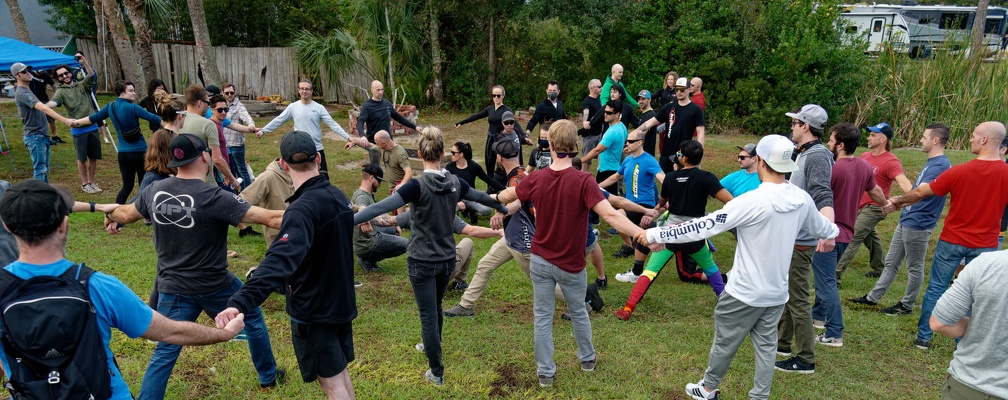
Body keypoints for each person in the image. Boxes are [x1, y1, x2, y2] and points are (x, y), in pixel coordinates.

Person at [634, 134, 839, 400]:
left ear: (761, 161)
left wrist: (655, 234)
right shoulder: (801, 199)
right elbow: (825, 228)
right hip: (776, 293)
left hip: (743, 291)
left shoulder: (751, 201)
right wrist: (832, 232)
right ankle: (759, 396)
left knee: (725, 342)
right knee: (767, 347)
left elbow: (704, 225)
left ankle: (708, 389)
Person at [0, 180, 245, 400]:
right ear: (64, 224)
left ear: (6, 226)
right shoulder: (97, 287)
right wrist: (223, 334)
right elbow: (169, 332)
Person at [104, 134, 286, 398]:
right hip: (216, 285)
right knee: (253, 317)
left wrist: (110, 216)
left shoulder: (154, 191)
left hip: (172, 286)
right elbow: (270, 218)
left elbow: (126, 214)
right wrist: (315, 213)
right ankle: (268, 376)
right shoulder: (215, 196)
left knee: (166, 349)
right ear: (204, 156)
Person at [495, 119, 646, 387]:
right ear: (574, 146)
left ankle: (546, 373)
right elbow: (610, 214)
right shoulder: (583, 180)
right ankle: (587, 358)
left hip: (541, 261)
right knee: (577, 311)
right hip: (571, 265)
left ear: (550, 145)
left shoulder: (537, 179)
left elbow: (508, 196)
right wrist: (640, 233)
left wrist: (492, 197)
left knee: (542, 317)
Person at [353, 127, 508, 386]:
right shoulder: (454, 183)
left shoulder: (416, 186)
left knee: (428, 314)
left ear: (421, 152)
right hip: (446, 260)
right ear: (442, 152)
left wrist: (349, 218)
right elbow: (481, 196)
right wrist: (501, 206)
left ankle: (436, 372)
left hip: (421, 263)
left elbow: (380, 207)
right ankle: (430, 346)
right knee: (434, 308)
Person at [216, 131, 356, 399]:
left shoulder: (302, 209)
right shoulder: (338, 196)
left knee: (332, 383)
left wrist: (240, 301)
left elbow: (279, 261)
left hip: (315, 310)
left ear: (283, 163)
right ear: (317, 158)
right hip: (340, 303)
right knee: (339, 374)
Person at [883, 121, 1008, 350]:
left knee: (936, 288)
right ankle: (964, 342)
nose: (970, 139)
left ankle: (924, 337)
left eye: (973, 135)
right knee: (976, 295)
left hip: (952, 240)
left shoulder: (959, 171)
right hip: (986, 245)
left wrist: (898, 202)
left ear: (984, 140)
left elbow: (922, 191)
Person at [847, 124, 951, 316]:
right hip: (908, 219)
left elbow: (921, 193)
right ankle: (872, 298)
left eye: (924, 137)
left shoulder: (940, 165)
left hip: (919, 223)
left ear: (935, 140)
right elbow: (916, 193)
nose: (921, 140)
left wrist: (896, 201)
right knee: (891, 262)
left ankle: (906, 304)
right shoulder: (932, 163)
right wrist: (901, 205)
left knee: (914, 266)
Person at [613, 140, 732, 306]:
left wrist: (655, 210)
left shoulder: (670, 178)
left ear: (683, 159)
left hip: (670, 234)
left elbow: (662, 202)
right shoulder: (707, 178)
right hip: (695, 233)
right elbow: (730, 201)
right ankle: (724, 301)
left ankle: (627, 308)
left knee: (650, 272)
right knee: (711, 269)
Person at [810, 122, 887, 347]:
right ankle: (818, 317)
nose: (828, 144)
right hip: (847, 234)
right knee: (826, 277)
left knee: (826, 283)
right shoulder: (864, 166)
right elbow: (876, 191)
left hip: (828, 234)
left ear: (840, 145)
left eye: (831, 141)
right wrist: (886, 205)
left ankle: (834, 333)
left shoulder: (832, 169)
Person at [776, 104, 835, 374]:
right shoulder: (802, 152)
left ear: (806, 127)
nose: (792, 126)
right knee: (790, 292)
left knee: (798, 298)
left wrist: (827, 229)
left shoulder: (818, 156)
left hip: (802, 239)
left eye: (795, 122)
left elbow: (823, 193)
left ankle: (806, 359)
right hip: (792, 236)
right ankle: (782, 343)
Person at [835, 122, 912, 281]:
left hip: (875, 207)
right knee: (870, 236)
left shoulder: (891, 161)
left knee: (854, 235)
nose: (868, 138)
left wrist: (911, 196)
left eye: (873, 135)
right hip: (859, 205)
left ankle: (834, 275)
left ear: (883, 139)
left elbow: (903, 182)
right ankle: (879, 268)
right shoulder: (865, 156)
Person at [930, 250, 1008, 399]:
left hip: (968, 386)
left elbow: (939, 322)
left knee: (936, 284)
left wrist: (982, 324)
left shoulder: (987, 263)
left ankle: (922, 339)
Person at [73, 80, 165, 204]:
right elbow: (155, 118)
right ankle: (144, 213)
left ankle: (114, 215)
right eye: (131, 91)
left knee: (126, 187)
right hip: (139, 152)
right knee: (145, 185)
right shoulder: (133, 107)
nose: (134, 93)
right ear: (122, 92)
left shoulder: (110, 107)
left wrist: (76, 122)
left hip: (123, 153)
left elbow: (93, 118)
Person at [598, 129, 664, 284]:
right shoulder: (628, 160)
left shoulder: (649, 160)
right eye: (626, 141)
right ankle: (635, 245)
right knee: (624, 222)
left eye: (630, 141)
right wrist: (595, 187)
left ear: (640, 142)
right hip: (630, 204)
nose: (626, 143)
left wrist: (656, 208)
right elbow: (616, 177)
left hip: (644, 205)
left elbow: (663, 178)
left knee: (618, 217)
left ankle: (640, 243)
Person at [258, 79, 351, 173]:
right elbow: (278, 120)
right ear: (298, 90)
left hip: (316, 148)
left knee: (322, 177)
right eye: (302, 88)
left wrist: (348, 137)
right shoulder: (293, 107)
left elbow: (333, 124)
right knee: (302, 178)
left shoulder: (319, 108)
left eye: (307, 89)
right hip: (299, 149)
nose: (304, 91)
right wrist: (263, 130)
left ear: (311, 91)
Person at [11, 62, 74, 182]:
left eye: (28, 70)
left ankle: (45, 195)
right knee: (40, 169)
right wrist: (65, 120)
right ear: (17, 76)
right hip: (35, 136)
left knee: (44, 169)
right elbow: (44, 108)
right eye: (24, 71)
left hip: (41, 135)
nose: (28, 73)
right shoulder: (22, 92)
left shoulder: (27, 91)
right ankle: (39, 198)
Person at [48, 60, 103, 193]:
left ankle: (91, 182)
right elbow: (54, 103)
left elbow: (92, 76)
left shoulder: (82, 85)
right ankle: (85, 184)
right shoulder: (61, 92)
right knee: (82, 158)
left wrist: (85, 62)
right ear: (58, 78)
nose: (64, 76)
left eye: (66, 73)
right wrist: (42, 106)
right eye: (60, 75)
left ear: (70, 73)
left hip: (92, 127)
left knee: (93, 157)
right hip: (78, 130)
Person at [632, 77, 706, 172]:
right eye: (677, 89)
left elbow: (700, 132)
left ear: (689, 89)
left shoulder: (696, 110)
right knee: (665, 182)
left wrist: (698, 153)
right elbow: (651, 122)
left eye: (682, 89)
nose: (679, 92)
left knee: (681, 183)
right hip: (666, 153)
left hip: (683, 154)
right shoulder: (668, 107)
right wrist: (636, 131)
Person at [352, 164, 406, 273]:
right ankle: (367, 259)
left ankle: (367, 258)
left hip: (368, 235)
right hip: (366, 243)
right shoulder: (361, 197)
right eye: (379, 180)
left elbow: (377, 211)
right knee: (406, 244)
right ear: (372, 178)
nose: (380, 184)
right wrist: (364, 220)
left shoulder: (365, 193)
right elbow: (362, 208)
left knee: (393, 230)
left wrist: (394, 224)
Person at [354, 80, 419, 165]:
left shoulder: (386, 103)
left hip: (388, 141)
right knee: (375, 167)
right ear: (372, 90)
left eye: (382, 89)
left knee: (393, 164)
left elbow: (398, 117)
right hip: (374, 142)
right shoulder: (367, 106)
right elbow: (360, 122)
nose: (381, 92)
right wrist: (362, 136)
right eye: (378, 90)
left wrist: (415, 127)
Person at [455, 85, 514, 173]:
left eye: (498, 95)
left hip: (501, 139)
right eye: (494, 95)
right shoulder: (490, 109)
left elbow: (514, 124)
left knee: (502, 163)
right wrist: (461, 122)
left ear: (503, 96)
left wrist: (524, 136)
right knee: (489, 162)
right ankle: (490, 185)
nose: (496, 98)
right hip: (490, 139)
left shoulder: (506, 110)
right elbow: (476, 116)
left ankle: (503, 184)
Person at [208, 94, 257, 195]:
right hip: (219, 173)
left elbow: (234, 125)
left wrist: (253, 130)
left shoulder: (221, 122)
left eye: (226, 109)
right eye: (220, 110)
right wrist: (223, 173)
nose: (223, 112)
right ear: (212, 110)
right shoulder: (212, 126)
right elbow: (214, 157)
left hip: (225, 169)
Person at [447, 142, 507, 223]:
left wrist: (506, 189)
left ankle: (472, 213)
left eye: (453, 153)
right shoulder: (449, 167)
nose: (451, 155)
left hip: (471, 197)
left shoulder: (473, 166)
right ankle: (458, 217)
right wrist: (458, 201)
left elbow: (488, 179)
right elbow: (447, 187)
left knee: (487, 210)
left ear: (461, 154)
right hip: (455, 198)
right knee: (447, 210)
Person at [581, 101, 629, 196]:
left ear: (617, 114)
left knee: (603, 200)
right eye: (605, 111)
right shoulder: (622, 126)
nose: (605, 114)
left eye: (609, 113)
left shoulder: (613, 132)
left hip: (606, 171)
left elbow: (597, 150)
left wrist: (580, 161)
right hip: (613, 168)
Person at [223, 83, 256, 189]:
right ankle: (236, 194)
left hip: (236, 144)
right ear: (223, 93)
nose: (229, 95)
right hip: (225, 145)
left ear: (235, 93)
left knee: (242, 170)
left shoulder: (239, 106)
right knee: (232, 171)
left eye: (231, 93)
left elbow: (246, 116)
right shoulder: (223, 106)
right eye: (227, 93)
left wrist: (251, 125)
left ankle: (247, 193)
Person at [579, 79, 604, 172]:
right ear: (592, 88)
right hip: (589, 136)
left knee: (601, 157)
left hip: (599, 134)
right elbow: (586, 111)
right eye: (599, 86)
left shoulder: (599, 98)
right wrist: (585, 122)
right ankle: (582, 177)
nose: (601, 88)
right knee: (586, 159)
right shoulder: (587, 101)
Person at [637, 90, 658, 156]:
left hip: (646, 152)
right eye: (639, 99)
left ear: (649, 100)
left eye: (643, 99)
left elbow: (642, 134)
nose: (640, 101)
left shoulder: (650, 115)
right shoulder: (646, 113)